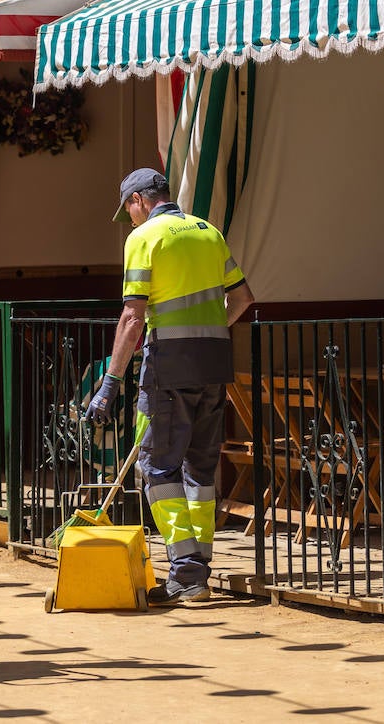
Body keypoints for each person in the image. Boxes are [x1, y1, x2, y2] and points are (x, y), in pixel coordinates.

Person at [85, 169, 255, 605]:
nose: (130, 218)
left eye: (128, 210)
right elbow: (242, 299)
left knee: (157, 468)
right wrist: (208, 330)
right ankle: (200, 570)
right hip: (215, 362)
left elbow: (132, 317)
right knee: (200, 468)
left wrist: (110, 382)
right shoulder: (207, 231)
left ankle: (184, 571)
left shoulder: (144, 237)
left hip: (169, 367)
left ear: (140, 200)